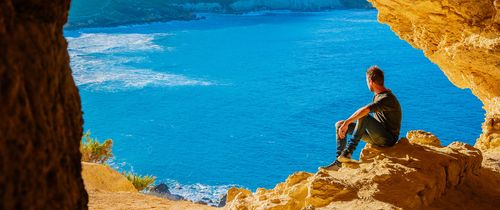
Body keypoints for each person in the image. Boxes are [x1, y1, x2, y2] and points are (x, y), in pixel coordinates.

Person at [320, 66, 402, 171]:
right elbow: (364, 111)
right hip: (376, 136)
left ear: (371, 81)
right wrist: (345, 123)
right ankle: (339, 163)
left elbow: (365, 110)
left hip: (388, 139)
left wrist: (347, 122)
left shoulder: (387, 98)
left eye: (366, 80)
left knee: (364, 116)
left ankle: (348, 152)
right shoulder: (379, 95)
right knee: (339, 125)